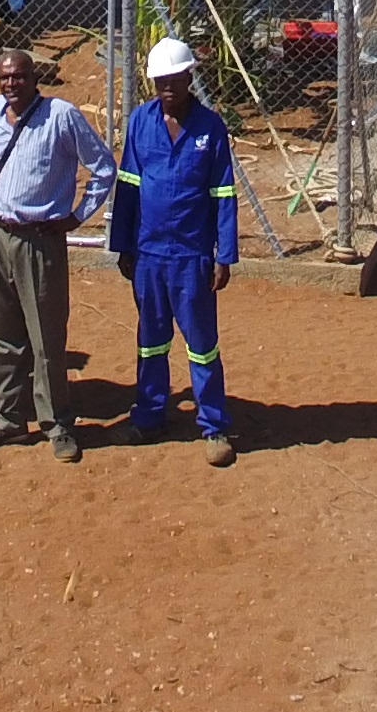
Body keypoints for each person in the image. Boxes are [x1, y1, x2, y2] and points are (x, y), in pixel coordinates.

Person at [0, 47, 113, 465]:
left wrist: (76, 218)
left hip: (40, 241)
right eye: (4, 76)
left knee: (46, 339)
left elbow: (103, 167)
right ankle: (9, 418)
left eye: (19, 76)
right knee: (2, 333)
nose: (11, 83)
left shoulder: (62, 116)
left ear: (36, 78)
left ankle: (57, 424)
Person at [110, 37, 239, 466]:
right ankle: (149, 416)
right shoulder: (140, 123)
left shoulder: (211, 128)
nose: (168, 87)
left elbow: (223, 193)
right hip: (148, 254)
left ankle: (214, 425)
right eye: (160, 80)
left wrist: (224, 255)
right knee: (151, 340)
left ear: (189, 77)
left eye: (175, 78)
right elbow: (128, 183)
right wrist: (123, 244)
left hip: (192, 256)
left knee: (202, 344)